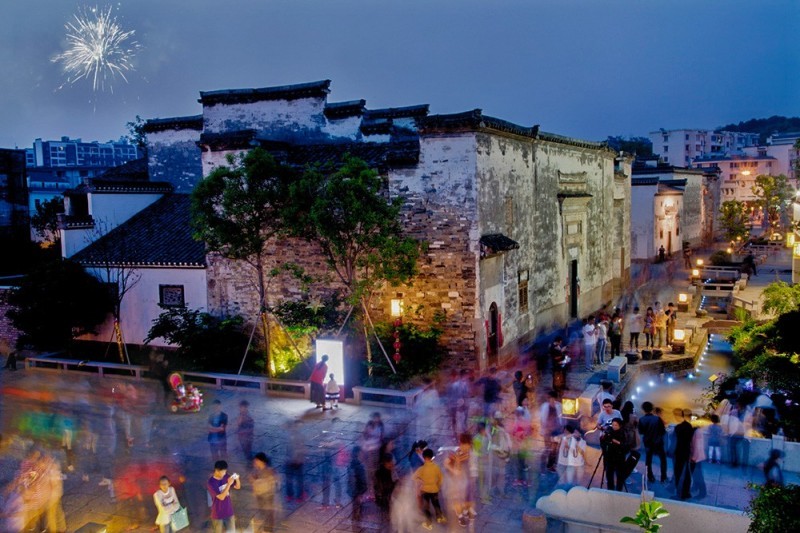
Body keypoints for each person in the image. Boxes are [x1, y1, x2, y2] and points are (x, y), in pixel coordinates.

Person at [445, 433, 476, 527]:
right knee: (456, 498)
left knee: (465, 496)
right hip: (455, 480)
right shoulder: (456, 454)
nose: (468, 448)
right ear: (461, 444)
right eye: (466, 445)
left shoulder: (468, 452)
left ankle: (465, 511)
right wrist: (454, 470)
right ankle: (460, 516)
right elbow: (446, 463)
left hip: (464, 479)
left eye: (469, 445)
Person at [414, 448, 445, 530]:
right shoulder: (436, 467)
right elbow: (441, 478)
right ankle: (439, 517)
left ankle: (429, 523)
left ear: (423, 458)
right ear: (432, 457)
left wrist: (420, 481)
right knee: (436, 504)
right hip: (435, 490)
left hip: (425, 491)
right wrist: (438, 486)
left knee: (426, 507)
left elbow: (414, 477)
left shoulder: (421, 469)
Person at [207, 460, 241, 533]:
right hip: (217, 514)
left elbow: (238, 487)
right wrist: (228, 484)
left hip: (229, 511)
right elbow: (221, 497)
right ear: (217, 471)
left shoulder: (226, 476)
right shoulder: (211, 482)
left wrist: (237, 479)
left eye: (225, 471)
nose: (225, 473)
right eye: (223, 472)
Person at [638, 402, 667, 483]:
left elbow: (641, 432)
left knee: (648, 459)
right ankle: (663, 477)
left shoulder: (641, 419)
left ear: (643, 410)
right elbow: (663, 431)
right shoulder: (657, 419)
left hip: (648, 442)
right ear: (652, 409)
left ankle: (650, 477)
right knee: (663, 459)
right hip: (658, 442)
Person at [251, 453, 278, 533]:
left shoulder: (268, 471)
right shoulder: (258, 470)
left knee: (267, 513)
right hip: (261, 495)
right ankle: (266, 529)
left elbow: (270, 483)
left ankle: (268, 530)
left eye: (256, 461)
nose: (255, 462)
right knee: (264, 513)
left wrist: (255, 481)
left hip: (266, 496)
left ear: (261, 461)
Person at [601, 418, 629, 491]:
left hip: (619, 457)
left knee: (619, 475)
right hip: (609, 456)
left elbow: (626, 447)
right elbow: (603, 443)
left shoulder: (624, 433)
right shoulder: (609, 431)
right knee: (609, 474)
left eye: (616, 425)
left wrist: (617, 442)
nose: (614, 427)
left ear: (620, 425)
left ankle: (619, 490)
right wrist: (603, 438)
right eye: (613, 425)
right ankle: (610, 489)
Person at [673, 408, 694, 500]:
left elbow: (674, 442)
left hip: (679, 452)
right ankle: (686, 492)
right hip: (686, 451)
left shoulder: (678, 427)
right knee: (686, 473)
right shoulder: (689, 426)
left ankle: (679, 492)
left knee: (678, 472)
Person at [489, 412, 511, 498]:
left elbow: (506, 441)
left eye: (500, 419)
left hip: (503, 454)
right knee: (495, 474)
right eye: (498, 419)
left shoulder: (502, 429)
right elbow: (491, 443)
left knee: (502, 474)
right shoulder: (493, 429)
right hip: (496, 454)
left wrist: (507, 452)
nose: (499, 420)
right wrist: (499, 450)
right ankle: (493, 491)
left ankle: (501, 490)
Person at [539, 392, 563, 473]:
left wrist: (561, 427)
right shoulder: (545, 406)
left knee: (554, 449)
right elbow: (542, 419)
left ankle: (550, 465)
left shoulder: (559, 406)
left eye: (553, 398)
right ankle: (543, 464)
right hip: (547, 431)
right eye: (550, 399)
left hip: (556, 431)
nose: (552, 400)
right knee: (548, 448)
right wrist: (545, 429)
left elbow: (561, 418)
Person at [375, 452, 398, 524]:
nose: (392, 463)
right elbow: (384, 486)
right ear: (386, 463)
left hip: (387, 495)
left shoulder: (390, 470)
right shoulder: (382, 473)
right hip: (385, 496)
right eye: (390, 462)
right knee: (386, 510)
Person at [347, 446, 367, 522]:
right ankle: (356, 520)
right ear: (358, 454)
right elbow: (360, 480)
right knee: (358, 506)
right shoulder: (359, 466)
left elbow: (350, 480)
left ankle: (355, 519)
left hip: (354, 491)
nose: (363, 455)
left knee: (355, 506)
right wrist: (361, 492)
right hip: (357, 491)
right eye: (362, 453)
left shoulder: (351, 464)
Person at [690, 419, 707, 499]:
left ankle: (703, 492)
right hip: (696, 457)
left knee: (698, 475)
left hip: (696, 458)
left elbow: (698, 446)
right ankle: (695, 487)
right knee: (695, 474)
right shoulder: (696, 430)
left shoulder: (697, 432)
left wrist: (693, 458)